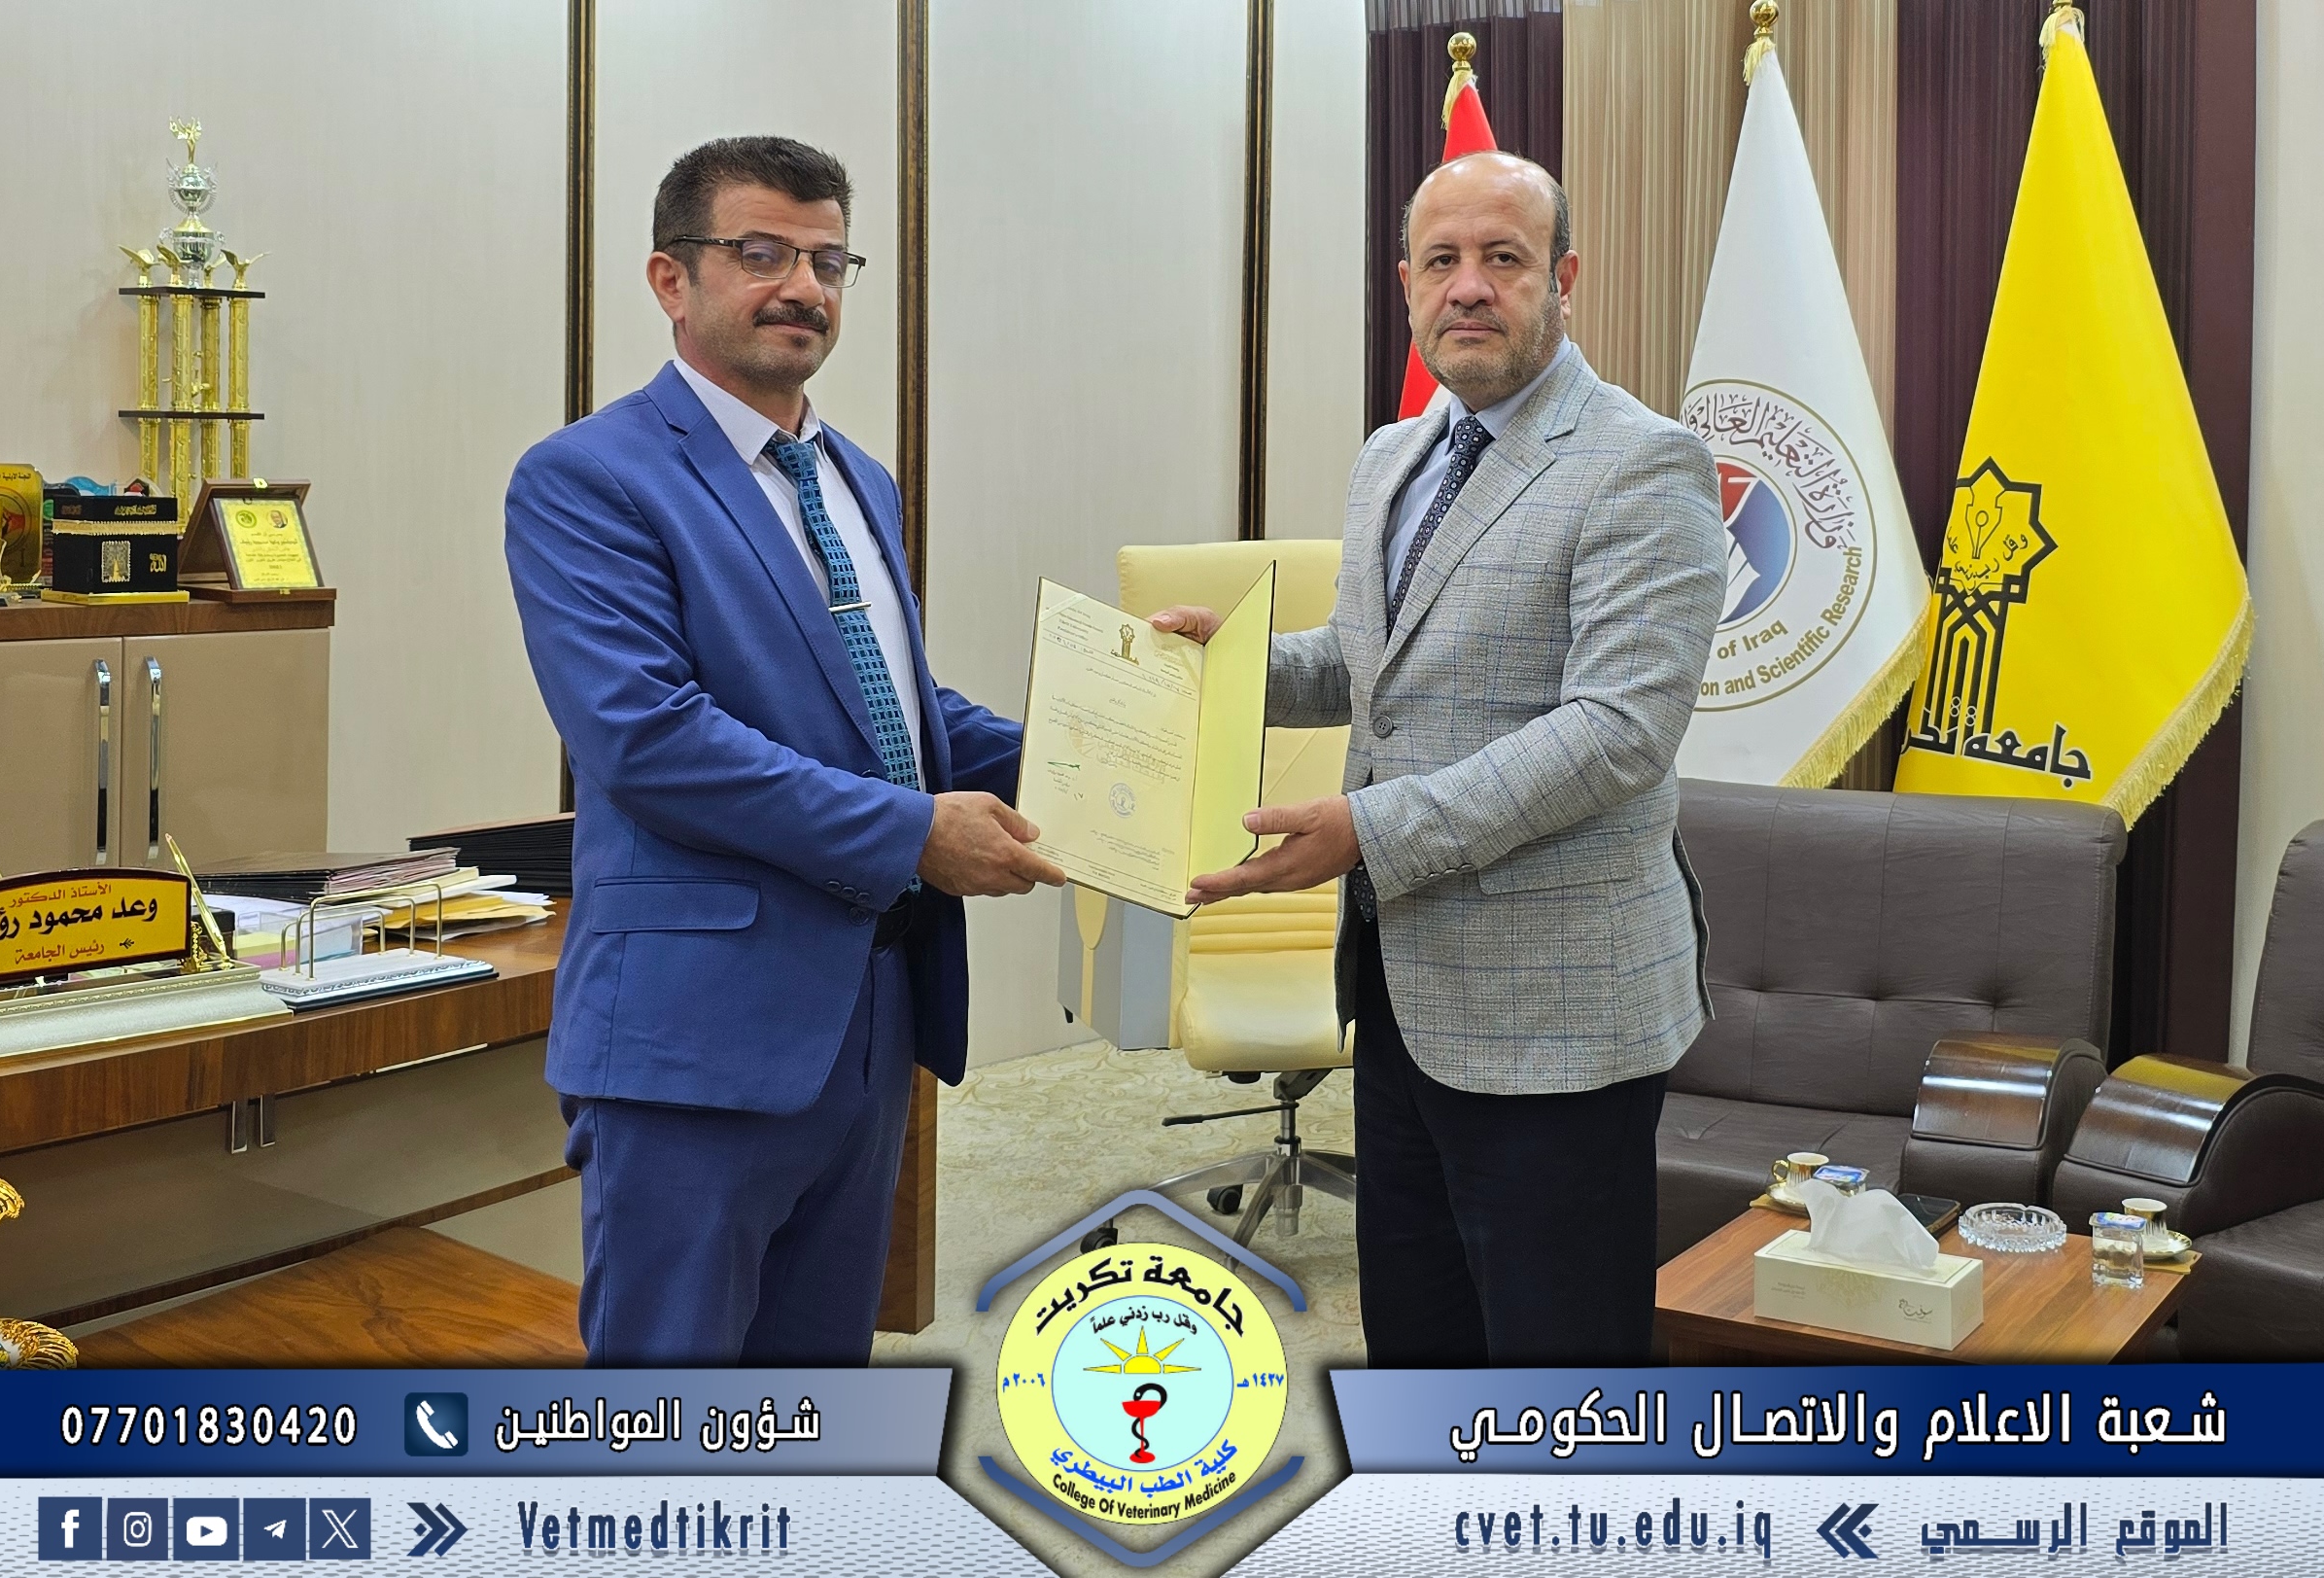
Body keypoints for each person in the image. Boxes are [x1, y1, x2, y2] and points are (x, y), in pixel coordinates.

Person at [1152, 151, 1722, 1367]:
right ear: (1405, 283)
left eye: (1503, 259)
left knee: (1560, 1364)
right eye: (1441, 260)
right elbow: (1373, 664)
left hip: (1558, 1008)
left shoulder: (1642, 462)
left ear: (1562, 279)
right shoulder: (1394, 455)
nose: (1469, 286)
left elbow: (1617, 730)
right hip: (1401, 986)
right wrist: (1232, 666)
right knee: (1421, 1339)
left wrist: (1370, 829)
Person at [505, 136, 1061, 1367]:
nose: (801, 287)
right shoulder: (588, 479)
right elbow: (650, 738)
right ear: (671, 278)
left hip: (867, 1022)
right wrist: (915, 834)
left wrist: (1103, 757)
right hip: (695, 1041)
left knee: (810, 1408)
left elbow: (896, 714)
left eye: (827, 260)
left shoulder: (858, 478)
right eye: (760, 254)